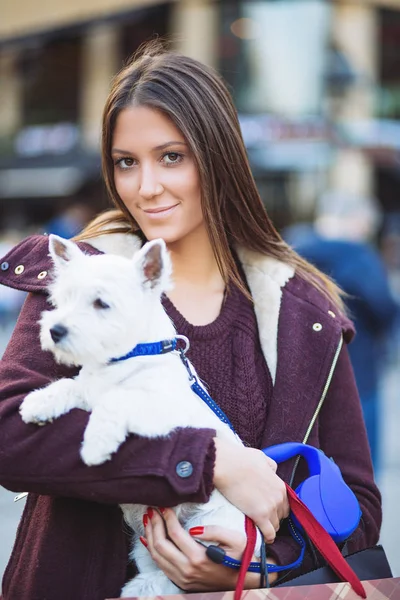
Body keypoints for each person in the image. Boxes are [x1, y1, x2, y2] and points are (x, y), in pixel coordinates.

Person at [0, 42, 381, 600]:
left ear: (218, 156)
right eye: (126, 162)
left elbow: (357, 506)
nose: (146, 186)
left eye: (171, 157)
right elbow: (11, 435)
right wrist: (204, 460)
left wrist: (258, 565)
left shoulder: (303, 312)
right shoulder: (86, 279)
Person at [285, 191, 399, 474]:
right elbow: (384, 309)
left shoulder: (287, 248)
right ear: (357, 220)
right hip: (358, 373)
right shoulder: (360, 257)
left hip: (296, 375)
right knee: (359, 469)